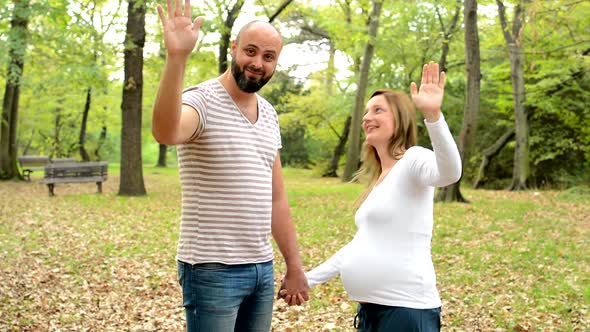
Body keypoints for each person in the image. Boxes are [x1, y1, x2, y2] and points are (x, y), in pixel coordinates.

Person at [151, 0, 309, 330]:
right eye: (250, 51)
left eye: (268, 57)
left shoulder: (269, 114)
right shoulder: (201, 100)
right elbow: (165, 131)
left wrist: (293, 264)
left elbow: (276, 198)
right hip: (212, 269)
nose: (257, 63)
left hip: (261, 269)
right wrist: (177, 58)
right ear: (234, 48)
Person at [283, 62, 461, 331]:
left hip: (406, 311)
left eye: (378, 110)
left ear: (399, 119)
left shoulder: (413, 159)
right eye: (366, 111)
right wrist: (308, 279)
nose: (367, 117)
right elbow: (359, 247)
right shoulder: (380, 180)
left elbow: (450, 173)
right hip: (371, 312)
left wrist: (433, 116)